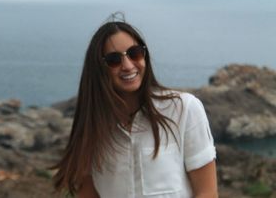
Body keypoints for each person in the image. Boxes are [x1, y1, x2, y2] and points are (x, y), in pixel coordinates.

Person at [52, 13, 218, 198]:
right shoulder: (92, 127)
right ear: (99, 68)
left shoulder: (185, 109)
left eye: (135, 53)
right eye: (114, 60)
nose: (128, 65)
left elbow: (207, 193)